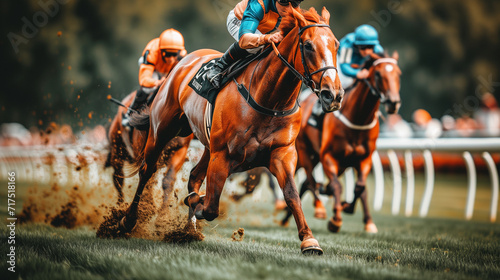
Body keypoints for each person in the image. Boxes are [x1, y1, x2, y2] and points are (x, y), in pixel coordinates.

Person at [206, 0, 303, 89]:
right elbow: (244, 39)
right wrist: (266, 38)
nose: (289, 9)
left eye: (294, 4)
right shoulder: (258, 4)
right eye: (285, 3)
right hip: (239, 20)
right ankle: (218, 67)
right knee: (258, 45)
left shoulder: (293, 9)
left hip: (261, 28)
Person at [122, 28, 187, 127]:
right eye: (168, 54)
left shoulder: (182, 55)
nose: (171, 59)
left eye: (174, 54)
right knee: (149, 88)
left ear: (179, 52)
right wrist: (157, 83)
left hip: (168, 71)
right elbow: (144, 80)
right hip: (154, 68)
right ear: (161, 51)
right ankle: (130, 114)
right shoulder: (152, 52)